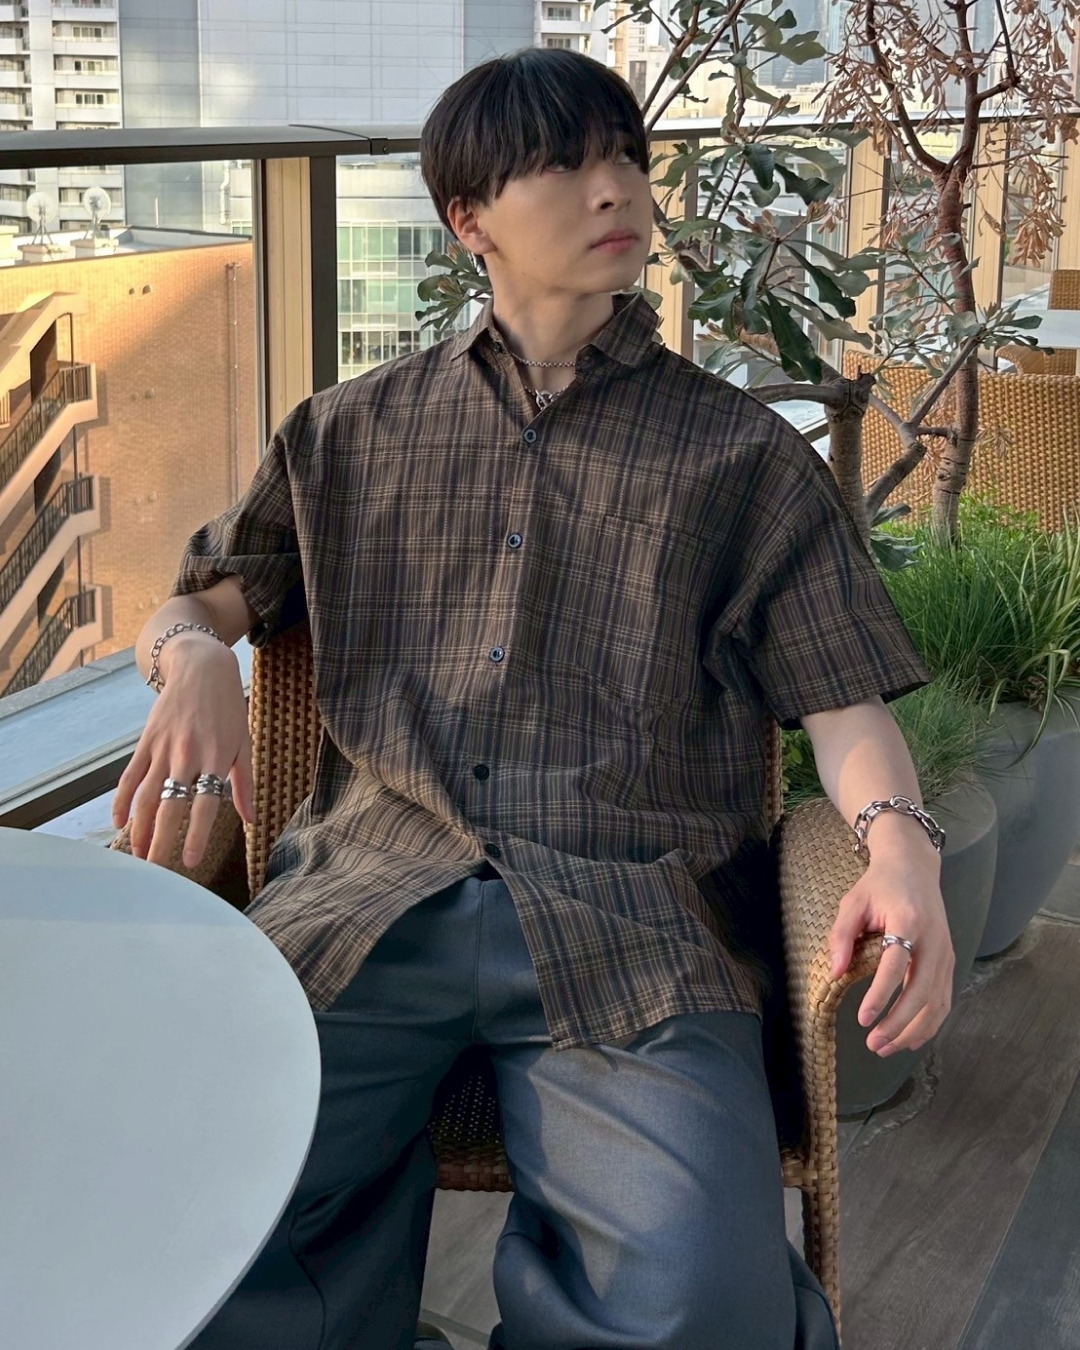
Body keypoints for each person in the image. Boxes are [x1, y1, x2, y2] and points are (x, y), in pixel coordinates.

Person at [113, 47, 955, 1350]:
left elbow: (842, 700)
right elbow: (199, 601)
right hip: (363, 901)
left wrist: (901, 847)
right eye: (564, 165)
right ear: (470, 221)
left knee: (698, 1300)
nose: (615, 188)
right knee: (184, 1215)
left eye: (625, 156)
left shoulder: (741, 457)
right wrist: (196, 660)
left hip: (636, 916)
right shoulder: (349, 432)